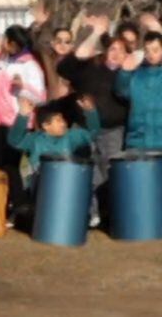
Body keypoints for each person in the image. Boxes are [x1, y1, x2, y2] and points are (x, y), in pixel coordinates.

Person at [0, 25, 47, 223]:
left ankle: (20, 206)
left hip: (16, 122)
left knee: (11, 166)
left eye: (5, 39)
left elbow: (40, 96)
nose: (1, 42)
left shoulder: (30, 65)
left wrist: (23, 88)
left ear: (13, 43)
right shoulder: (1, 62)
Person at [59, 15, 128, 227]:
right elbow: (68, 65)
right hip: (83, 128)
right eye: (113, 49)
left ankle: (108, 214)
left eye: (121, 50)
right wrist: (96, 33)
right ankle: (88, 212)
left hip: (113, 130)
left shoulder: (127, 75)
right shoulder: (91, 66)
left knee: (108, 172)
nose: (116, 54)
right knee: (85, 169)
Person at [114, 31, 162, 153]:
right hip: (138, 144)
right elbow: (121, 92)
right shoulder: (137, 75)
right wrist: (124, 73)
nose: (151, 55)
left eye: (155, 50)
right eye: (147, 50)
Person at [9, 96, 100, 180]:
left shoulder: (71, 136)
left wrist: (90, 112)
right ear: (46, 126)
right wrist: (23, 116)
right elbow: (14, 140)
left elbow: (92, 133)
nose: (63, 123)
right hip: (40, 185)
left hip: (64, 183)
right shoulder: (36, 140)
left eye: (63, 119)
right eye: (58, 120)